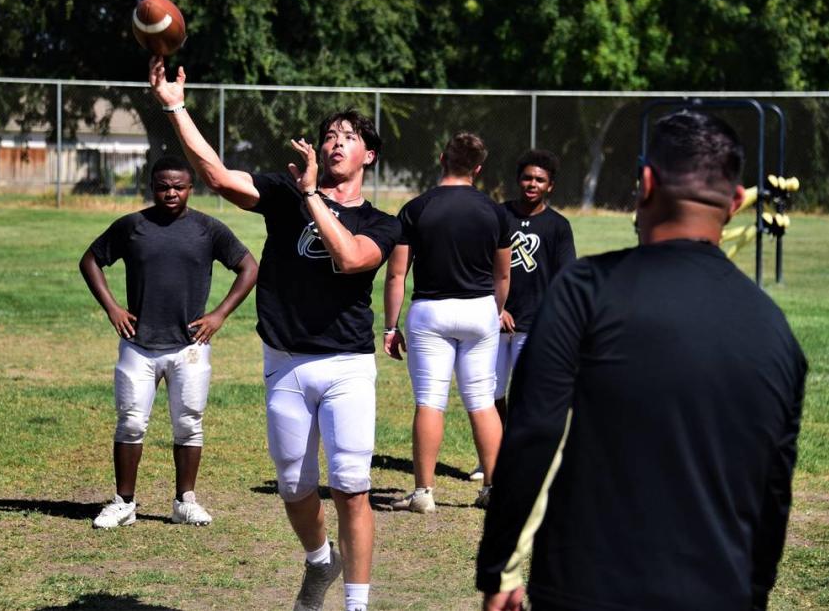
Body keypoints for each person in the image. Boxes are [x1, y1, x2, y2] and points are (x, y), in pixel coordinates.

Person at [476, 110, 807, 611]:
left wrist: (499, 567)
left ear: (646, 182)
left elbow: (534, 432)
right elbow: (773, 492)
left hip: (585, 586)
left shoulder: (585, 290)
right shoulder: (775, 332)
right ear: (736, 203)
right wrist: (753, 591)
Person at [148, 57, 401, 611]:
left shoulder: (383, 221)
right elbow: (216, 175)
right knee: (294, 487)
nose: (336, 142)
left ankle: (356, 605)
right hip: (285, 362)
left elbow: (352, 258)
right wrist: (175, 106)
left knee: (353, 488)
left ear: (369, 155)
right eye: (329, 135)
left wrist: (313, 196)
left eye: (349, 137)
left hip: (346, 367)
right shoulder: (287, 195)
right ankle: (319, 560)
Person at [79, 155, 258, 529]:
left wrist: (219, 314)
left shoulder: (208, 229)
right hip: (139, 344)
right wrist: (113, 307)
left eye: (178, 186)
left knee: (189, 423)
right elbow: (91, 260)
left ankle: (184, 502)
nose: (171, 192)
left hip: (189, 347)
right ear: (152, 187)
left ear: (192, 189)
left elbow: (248, 267)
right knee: (130, 422)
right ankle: (124, 503)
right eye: (163, 186)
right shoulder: (133, 226)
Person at [383, 132, 511, 512]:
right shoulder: (495, 211)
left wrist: (390, 327)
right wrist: (495, 309)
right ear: (478, 167)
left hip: (431, 312)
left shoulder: (416, 207)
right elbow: (502, 276)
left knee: (429, 402)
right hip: (479, 310)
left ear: (442, 159)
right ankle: (493, 488)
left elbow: (396, 275)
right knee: (482, 401)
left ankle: (423, 493)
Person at [470, 150, 576, 481]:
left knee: (527, 394)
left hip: (535, 324)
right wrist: (497, 308)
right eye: (527, 177)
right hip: (494, 321)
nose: (532, 184)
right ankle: (493, 455)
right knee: (490, 393)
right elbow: (478, 266)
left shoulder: (558, 226)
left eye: (539, 180)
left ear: (550, 186)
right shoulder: (497, 215)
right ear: (518, 180)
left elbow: (565, 276)